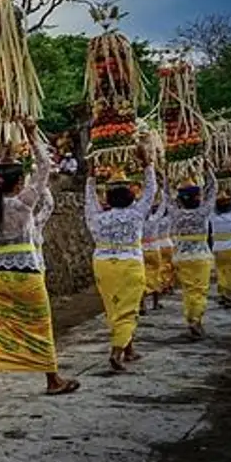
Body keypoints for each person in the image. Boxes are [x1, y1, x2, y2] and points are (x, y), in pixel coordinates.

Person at [0, 120, 79, 410]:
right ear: (19, 183)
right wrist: (31, 135)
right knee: (40, 325)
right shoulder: (24, 203)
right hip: (26, 275)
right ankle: (52, 380)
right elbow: (44, 169)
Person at [85, 159, 157, 372]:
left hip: (103, 265)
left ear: (107, 197)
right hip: (130, 264)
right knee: (128, 310)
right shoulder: (136, 214)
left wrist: (90, 176)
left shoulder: (97, 217)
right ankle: (117, 351)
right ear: (131, 196)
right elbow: (152, 190)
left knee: (114, 307)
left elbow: (89, 199)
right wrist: (146, 163)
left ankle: (129, 349)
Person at [170, 166, 217, 338]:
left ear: (180, 200)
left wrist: (168, 178)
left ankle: (192, 319)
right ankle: (195, 319)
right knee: (200, 289)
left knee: (188, 290)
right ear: (198, 198)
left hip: (181, 256)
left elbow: (167, 198)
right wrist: (206, 168)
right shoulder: (203, 212)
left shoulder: (176, 214)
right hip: (200, 256)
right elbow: (213, 189)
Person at [209, 184, 231, 308]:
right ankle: (228, 296)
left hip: (218, 248)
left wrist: (216, 189)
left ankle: (223, 294)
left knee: (221, 272)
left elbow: (210, 203)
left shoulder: (213, 217)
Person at [141, 186, 172, 311]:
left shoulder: (138, 221)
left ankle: (142, 304)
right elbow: (163, 209)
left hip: (141, 249)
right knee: (156, 275)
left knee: (142, 277)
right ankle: (155, 303)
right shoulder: (155, 219)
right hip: (155, 248)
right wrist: (164, 195)